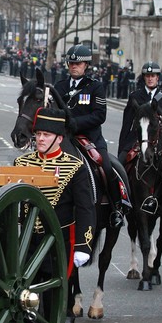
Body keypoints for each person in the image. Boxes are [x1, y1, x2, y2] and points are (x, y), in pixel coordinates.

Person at [13, 107, 96, 323]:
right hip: (27, 244)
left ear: (59, 138)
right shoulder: (21, 163)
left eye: (46, 134)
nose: (40, 139)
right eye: (38, 133)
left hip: (56, 243)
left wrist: (84, 245)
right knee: (18, 305)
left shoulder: (75, 167)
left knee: (49, 310)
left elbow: (85, 209)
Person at [54, 44, 124, 228]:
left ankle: (116, 208)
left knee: (106, 167)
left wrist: (75, 124)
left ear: (86, 65)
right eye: (71, 63)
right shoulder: (59, 87)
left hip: (90, 138)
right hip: (64, 138)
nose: (74, 66)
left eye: (78, 63)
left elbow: (99, 115)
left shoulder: (95, 87)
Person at [118, 61, 162, 214]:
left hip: (157, 142)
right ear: (143, 78)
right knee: (119, 168)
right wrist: (122, 148)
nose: (150, 79)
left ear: (158, 78)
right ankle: (119, 203)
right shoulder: (135, 96)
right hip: (136, 140)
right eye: (148, 76)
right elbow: (127, 124)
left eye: (153, 76)